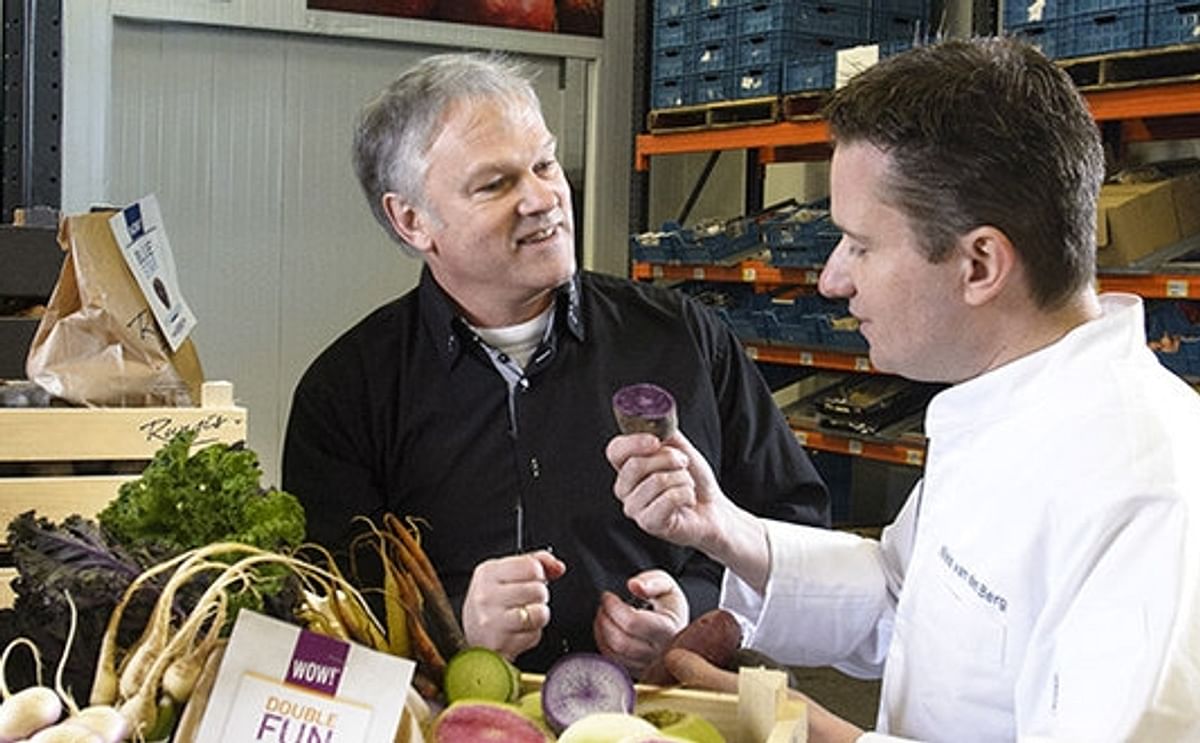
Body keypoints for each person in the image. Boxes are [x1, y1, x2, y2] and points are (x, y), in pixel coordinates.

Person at [606, 36, 1200, 742]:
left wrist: (813, 731)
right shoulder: (1003, 402)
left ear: (979, 263)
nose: (831, 279)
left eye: (860, 244)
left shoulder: (1143, 495)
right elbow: (903, 594)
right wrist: (724, 527)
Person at [281, 52, 829, 674]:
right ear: (412, 221)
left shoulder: (682, 339)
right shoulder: (348, 393)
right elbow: (321, 614)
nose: (543, 199)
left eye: (543, 164)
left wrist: (695, 612)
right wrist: (454, 625)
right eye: (496, 184)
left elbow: (793, 521)